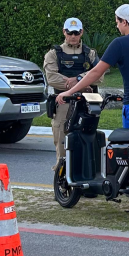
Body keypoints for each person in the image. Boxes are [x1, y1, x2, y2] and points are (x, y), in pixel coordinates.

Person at [57, 4, 129, 130]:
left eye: (117, 22)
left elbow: (96, 72)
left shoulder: (120, 43)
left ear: (124, 22)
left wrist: (69, 91)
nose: (117, 25)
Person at [43, 17, 103, 171]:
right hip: (64, 103)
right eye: (70, 32)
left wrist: (76, 81)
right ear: (64, 32)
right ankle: (62, 175)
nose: (73, 36)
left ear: (81, 32)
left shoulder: (90, 53)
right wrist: (83, 83)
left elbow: (100, 75)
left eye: (76, 32)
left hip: (86, 103)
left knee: (87, 139)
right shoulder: (53, 54)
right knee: (62, 140)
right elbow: (52, 78)